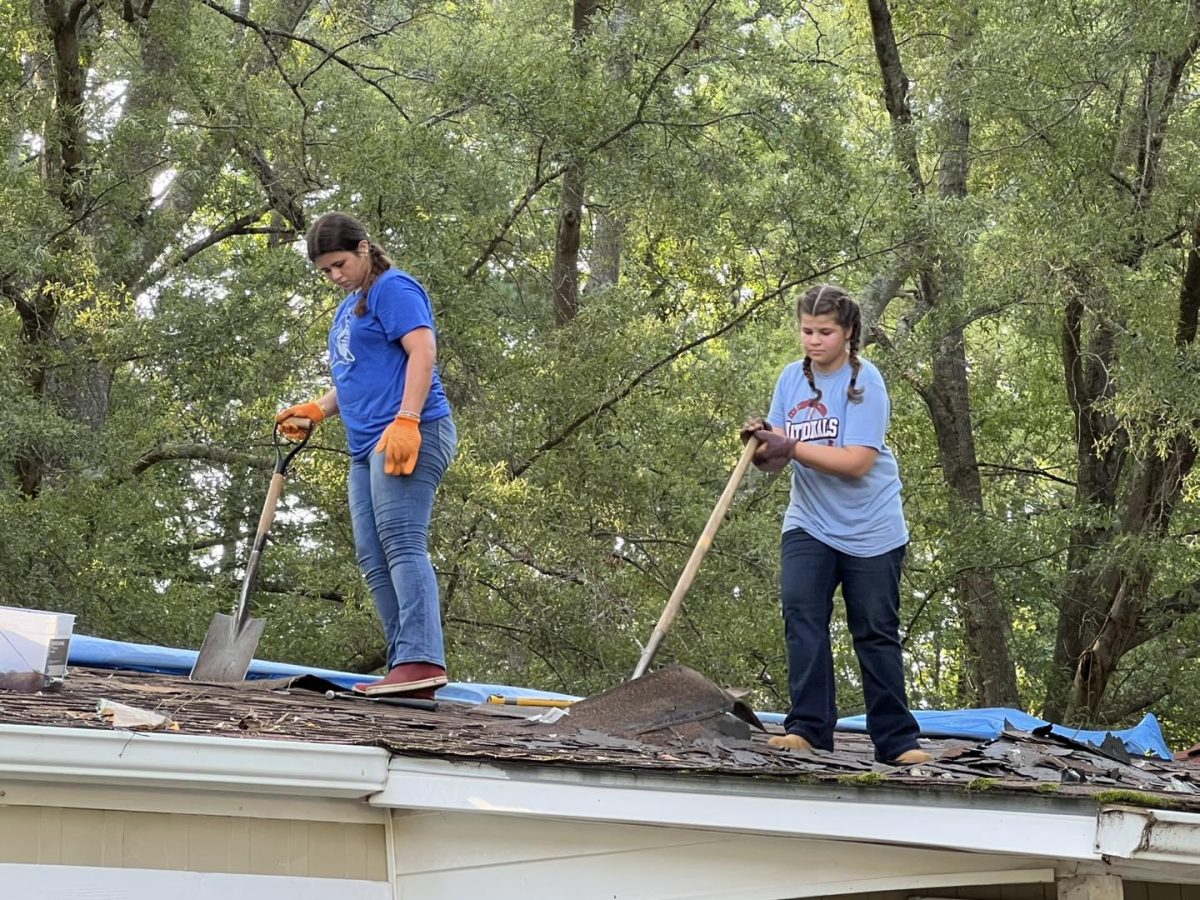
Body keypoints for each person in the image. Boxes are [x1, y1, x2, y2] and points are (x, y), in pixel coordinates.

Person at [742, 283, 933, 765]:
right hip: (809, 521)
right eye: (806, 330)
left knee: (874, 630)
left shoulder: (866, 382)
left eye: (824, 331)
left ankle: (897, 741)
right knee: (802, 615)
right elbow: (777, 458)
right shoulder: (791, 379)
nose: (814, 340)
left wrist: (790, 445)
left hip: (872, 529)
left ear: (848, 332)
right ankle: (807, 730)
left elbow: (855, 463)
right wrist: (762, 444)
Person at [276, 211, 457, 698]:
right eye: (325, 271)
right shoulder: (350, 306)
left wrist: (408, 420)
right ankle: (406, 667)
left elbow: (423, 351)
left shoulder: (392, 289)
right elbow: (358, 378)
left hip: (410, 432)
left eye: (339, 264)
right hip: (364, 446)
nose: (334, 276)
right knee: (373, 556)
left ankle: (421, 660)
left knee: (402, 542)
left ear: (363, 249)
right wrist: (317, 409)